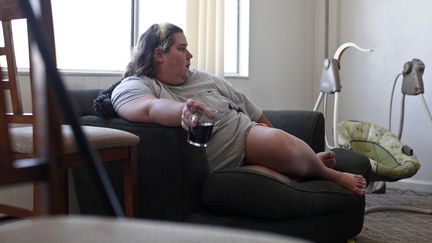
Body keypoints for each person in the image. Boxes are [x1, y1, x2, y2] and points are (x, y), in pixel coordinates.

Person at [111, 23, 366, 196]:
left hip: (247, 136)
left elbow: (250, 109)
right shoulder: (136, 85)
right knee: (277, 167)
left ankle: (315, 168)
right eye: (181, 48)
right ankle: (317, 169)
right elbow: (148, 109)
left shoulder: (203, 77)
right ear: (158, 54)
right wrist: (182, 112)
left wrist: (268, 133)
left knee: (277, 149)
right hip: (223, 158)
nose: (190, 54)